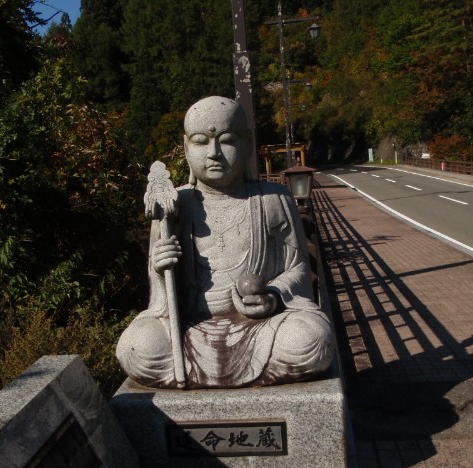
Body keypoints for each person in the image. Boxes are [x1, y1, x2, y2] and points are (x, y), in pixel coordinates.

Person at [116, 96, 334, 389]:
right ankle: (239, 376)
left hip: (262, 327)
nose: (214, 153)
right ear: (185, 147)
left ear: (247, 144)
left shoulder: (273, 199)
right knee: (136, 347)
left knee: (311, 339)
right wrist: (159, 269)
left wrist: (272, 295)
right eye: (200, 142)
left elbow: (298, 270)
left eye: (228, 140)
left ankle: (210, 377)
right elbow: (161, 302)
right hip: (190, 329)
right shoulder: (172, 206)